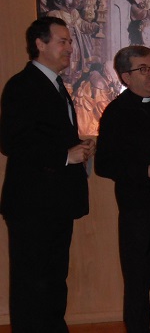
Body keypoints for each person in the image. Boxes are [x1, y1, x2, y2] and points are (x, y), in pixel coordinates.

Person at [0, 16, 95, 332]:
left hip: (55, 203)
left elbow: (44, 136)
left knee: (54, 280)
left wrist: (77, 148)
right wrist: (65, 155)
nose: (70, 47)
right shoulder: (22, 85)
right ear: (39, 44)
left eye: (69, 41)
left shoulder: (56, 85)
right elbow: (12, 141)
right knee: (32, 284)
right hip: (32, 205)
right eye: (63, 41)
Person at [95, 46, 150, 332]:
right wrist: (146, 170)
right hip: (136, 212)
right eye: (142, 69)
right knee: (137, 284)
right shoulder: (115, 113)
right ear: (125, 77)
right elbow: (104, 165)